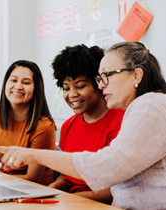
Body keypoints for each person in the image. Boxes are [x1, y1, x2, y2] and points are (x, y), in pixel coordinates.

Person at [0, 42, 166, 209]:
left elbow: (107, 167)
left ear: (136, 76)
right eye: (99, 78)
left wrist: (33, 154)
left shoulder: (152, 104)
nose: (102, 84)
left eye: (107, 76)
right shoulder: (137, 110)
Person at [50, 44, 124, 204]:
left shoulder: (120, 122)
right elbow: (65, 176)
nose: (72, 95)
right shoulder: (68, 125)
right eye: (66, 88)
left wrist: (68, 199)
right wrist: (55, 187)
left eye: (80, 86)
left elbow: (115, 191)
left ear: (99, 83)